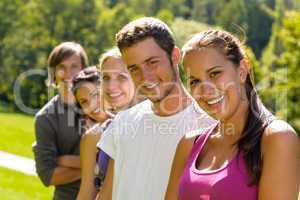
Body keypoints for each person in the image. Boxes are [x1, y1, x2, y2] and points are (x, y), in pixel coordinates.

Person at [165, 30, 300, 200]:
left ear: (242, 70)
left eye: (214, 74)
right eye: (195, 81)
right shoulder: (189, 144)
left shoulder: (277, 138)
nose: (206, 90)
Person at [97, 17, 215, 200]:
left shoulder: (207, 128)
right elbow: (106, 194)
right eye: (134, 68)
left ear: (175, 56)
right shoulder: (123, 121)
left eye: (152, 62)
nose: (145, 76)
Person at [74, 47, 138, 200]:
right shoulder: (95, 135)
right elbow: (86, 193)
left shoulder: (152, 128)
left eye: (121, 77)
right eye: (106, 78)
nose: (110, 86)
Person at [32, 41, 88, 199]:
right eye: (61, 67)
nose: (68, 73)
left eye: (74, 66)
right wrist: (94, 166)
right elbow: (49, 176)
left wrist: (67, 161)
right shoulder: (45, 118)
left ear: (84, 69)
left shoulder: (100, 108)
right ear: (53, 73)